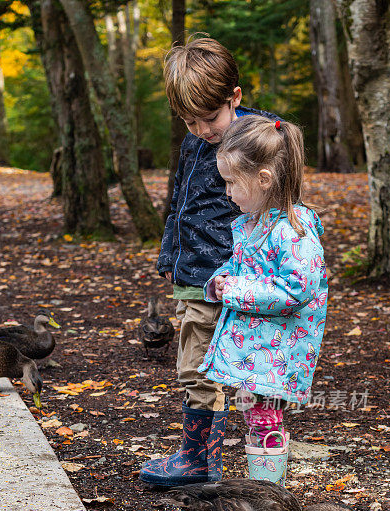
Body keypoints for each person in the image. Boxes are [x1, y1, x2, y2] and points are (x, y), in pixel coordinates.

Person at [140, 36, 278, 487]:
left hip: (231, 278)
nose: (200, 129)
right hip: (191, 273)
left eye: (209, 117)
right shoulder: (193, 144)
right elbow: (179, 201)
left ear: (234, 97)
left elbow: (275, 212)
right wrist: (169, 253)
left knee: (219, 370)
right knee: (194, 365)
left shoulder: (259, 141)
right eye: (188, 120)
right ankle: (200, 457)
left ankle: (216, 462)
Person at [199, 114, 328, 484]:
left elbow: (296, 289)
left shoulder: (292, 232)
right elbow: (242, 267)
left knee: (264, 419)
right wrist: (220, 281)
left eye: (231, 183)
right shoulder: (253, 224)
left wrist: (236, 291)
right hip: (255, 349)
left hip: (276, 350)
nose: (227, 193)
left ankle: (268, 502)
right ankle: (265, 496)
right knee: (256, 415)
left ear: (264, 179)